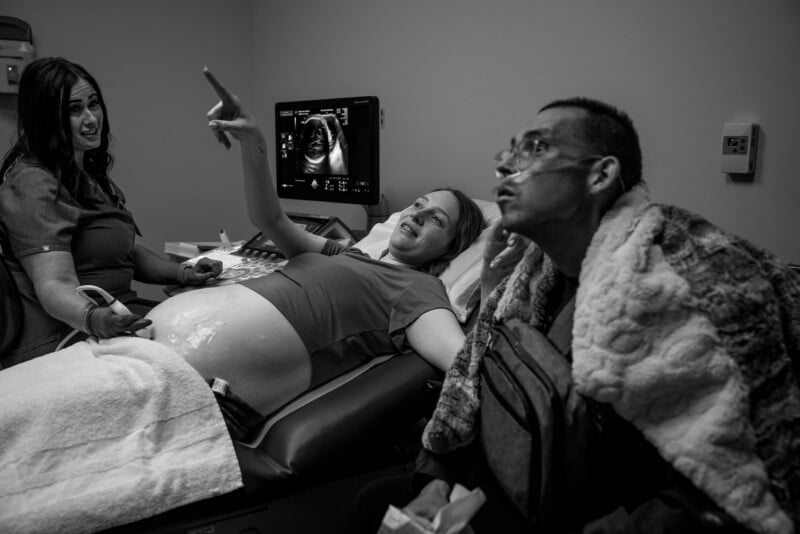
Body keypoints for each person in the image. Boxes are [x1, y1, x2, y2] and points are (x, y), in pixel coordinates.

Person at [352, 98, 799, 533]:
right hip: (509, 484)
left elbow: (743, 486)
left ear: (600, 175)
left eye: (536, 149)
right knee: (373, 504)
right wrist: (436, 480)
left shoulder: (698, 277)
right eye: (512, 150)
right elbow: (471, 370)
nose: (507, 166)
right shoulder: (534, 269)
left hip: (602, 511)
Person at [142, 69, 487, 419]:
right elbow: (271, 221)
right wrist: (254, 143)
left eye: (437, 220)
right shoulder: (350, 254)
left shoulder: (418, 288)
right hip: (153, 349)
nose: (417, 215)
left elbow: (465, 364)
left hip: (196, 379)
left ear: (450, 248)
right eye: (418, 204)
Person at [0, 57, 221, 367]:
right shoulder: (32, 182)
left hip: (113, 318)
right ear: (46, 118)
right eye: (74, 110)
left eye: (94, 104)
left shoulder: (84, 175)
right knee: (212, 352)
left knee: (218, 327)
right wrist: (95, 318)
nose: (91, 119)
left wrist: (185, 272)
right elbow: (54, 284)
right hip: (67, 336)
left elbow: (124, 253)